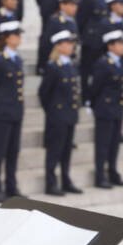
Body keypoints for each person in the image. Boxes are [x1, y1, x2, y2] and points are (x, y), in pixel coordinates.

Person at [0, 20, 25, 203]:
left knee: (13, 152)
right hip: (1, 113)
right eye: (16, 35)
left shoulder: (17, 59)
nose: (19, 38)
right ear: (7, 38)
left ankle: (11, 186)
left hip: (16, 112)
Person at [39, 30, 82, 196]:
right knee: (54, 151)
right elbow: (44, 93)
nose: (71, 46)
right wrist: (52, 111)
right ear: (58, 46)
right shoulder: (53, 66)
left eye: (72, 43)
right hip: (57, 115)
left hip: (70, 114)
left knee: (66, 150)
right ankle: (51, 183)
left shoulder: (70, 65)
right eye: (68, 43)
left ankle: (66, 180)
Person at [88, 29, 123, 188]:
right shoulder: (103, 63)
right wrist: (94, 105)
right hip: (105, 108)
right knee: (103, 145)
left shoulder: (121, 62)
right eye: (120, 43)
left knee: (114, 144)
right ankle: (100, 176)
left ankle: (113, 171)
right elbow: (95, 87)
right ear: (110, 46)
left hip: (117, 108)